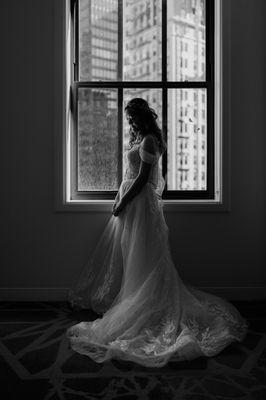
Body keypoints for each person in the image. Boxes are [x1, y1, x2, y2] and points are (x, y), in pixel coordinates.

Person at [66, 98, 248, 368]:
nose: (129, 122)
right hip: (134, 204)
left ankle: (144, 304)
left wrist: (123, 202)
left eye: (132, 117)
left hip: (140, 205)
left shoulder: (150, 139)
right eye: (128, 118)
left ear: (141, 115)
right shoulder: (141, 137)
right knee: (133, 255)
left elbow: (142, 179)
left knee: (146, 257)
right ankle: (132, 296)